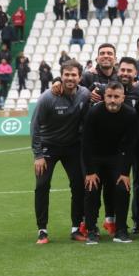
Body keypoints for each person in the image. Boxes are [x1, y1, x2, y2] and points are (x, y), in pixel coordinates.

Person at [31, 60, 91, 244]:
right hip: (49, 147)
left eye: (74, 75)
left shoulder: (84, 94)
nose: (70, 78)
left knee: (79, 185)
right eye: (67, 74)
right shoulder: (48, 97)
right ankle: (42, 230)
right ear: (61, 76)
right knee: (42, 185)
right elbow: (35, 126)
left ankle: (76, 228)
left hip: (72, 147)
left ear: (79, 77)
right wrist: (38, 155)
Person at [81, 81, 139, 245]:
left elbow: (130, 145)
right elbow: (86, 143)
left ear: (123, 98)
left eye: (116, 97)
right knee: (91, 189)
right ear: (104, 97)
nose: (112, 100)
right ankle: (92, 230)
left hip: (117, 157)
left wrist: (124, 173)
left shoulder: (130, 114)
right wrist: (90, 171)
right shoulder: (94, 112)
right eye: (109, 96)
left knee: (122, 188)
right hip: (95, 157)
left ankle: (121, 230)